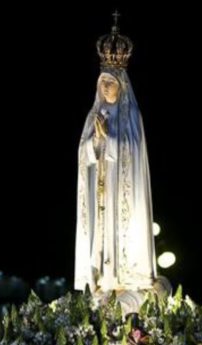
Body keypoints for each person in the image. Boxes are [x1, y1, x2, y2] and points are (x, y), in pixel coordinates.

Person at [75, 14, 157, 294]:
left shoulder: (130, 114)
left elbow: (131, 150)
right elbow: (83, 153)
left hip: (121, 188)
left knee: (120, 233)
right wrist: (93, 143)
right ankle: (99, 276)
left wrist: (107, 139)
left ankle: (126, 274)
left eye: (110, 83)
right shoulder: (94, 114)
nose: (105, 87)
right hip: (100, 189)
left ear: (121, 85)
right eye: (102, 83)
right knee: (100, 235)